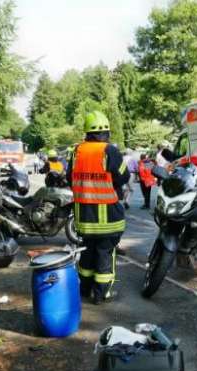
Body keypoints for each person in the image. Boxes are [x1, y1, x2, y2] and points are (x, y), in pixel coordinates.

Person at [67, 111, 129, 305]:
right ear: (106, 133)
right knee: (105, 253)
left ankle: (84, 289)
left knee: (87, 251)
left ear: (87, 132)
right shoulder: (109, 150)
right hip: (107, 217)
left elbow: (70, 178)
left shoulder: (77, 151)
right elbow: (123, 176)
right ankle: (102, 294)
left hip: (84, 216)